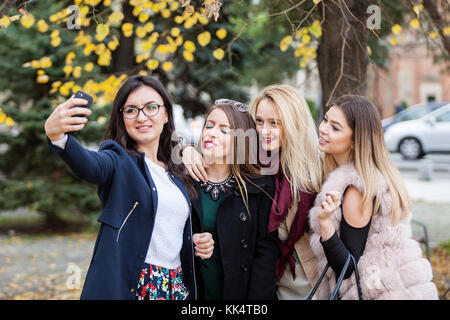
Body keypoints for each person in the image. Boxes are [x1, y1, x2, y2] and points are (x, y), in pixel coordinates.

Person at [44, 75, 214, 300]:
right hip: (134, 285)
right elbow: (90, 165)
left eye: (151, 107)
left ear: (165, 114)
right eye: (131, 110)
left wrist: (197, 242)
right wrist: (58, 136)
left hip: (176, 286)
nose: (141, 117)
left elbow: (168, 230)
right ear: (122, 117)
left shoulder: (178, 172)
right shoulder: (117, 159)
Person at [182, 85, 323, 299]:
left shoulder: (312, 175)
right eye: (259, 121)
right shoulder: (250, 166)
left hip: (303, 284)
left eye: (275, 123)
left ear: (294, 125)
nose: (264, 130)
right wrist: (187, 150)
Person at [308, 95, 438, 300]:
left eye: (335, 127)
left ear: (355, 140)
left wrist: (325, 223)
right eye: (325, 120)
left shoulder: (356, 190)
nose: (323, 129)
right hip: (396, 286)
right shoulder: (369, 176)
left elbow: (348, 267)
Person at [190, 100, 278, 299]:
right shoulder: (185, 181)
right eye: (209, 126)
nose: (211, 133)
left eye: (224, 130)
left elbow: (265, 255)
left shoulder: (258, 187)